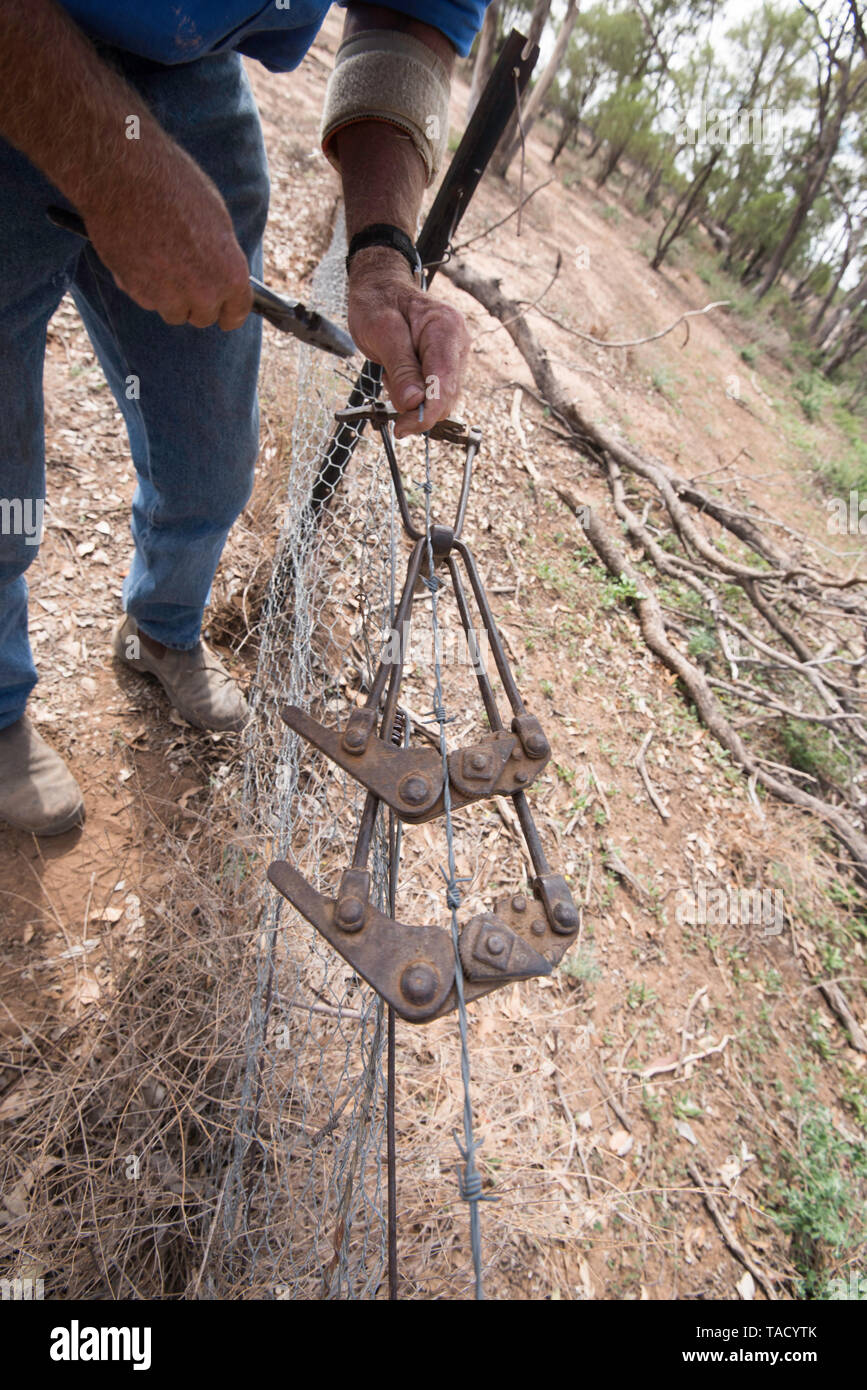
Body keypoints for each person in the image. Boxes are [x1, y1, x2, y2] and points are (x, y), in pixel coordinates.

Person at [0, 0, 487, 835]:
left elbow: (404, 31)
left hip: (185, 76)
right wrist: (117, 166)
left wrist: (379, 250)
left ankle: (160, 630)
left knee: (211, 459)